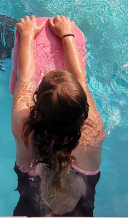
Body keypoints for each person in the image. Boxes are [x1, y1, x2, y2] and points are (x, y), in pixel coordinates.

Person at [11, 15, 105, 216]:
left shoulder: (23, 127)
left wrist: (27, 36)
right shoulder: (94, 133)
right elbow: (81, 80)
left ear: (36, 106)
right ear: (84, 111)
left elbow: (25, 78)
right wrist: (67, 35)